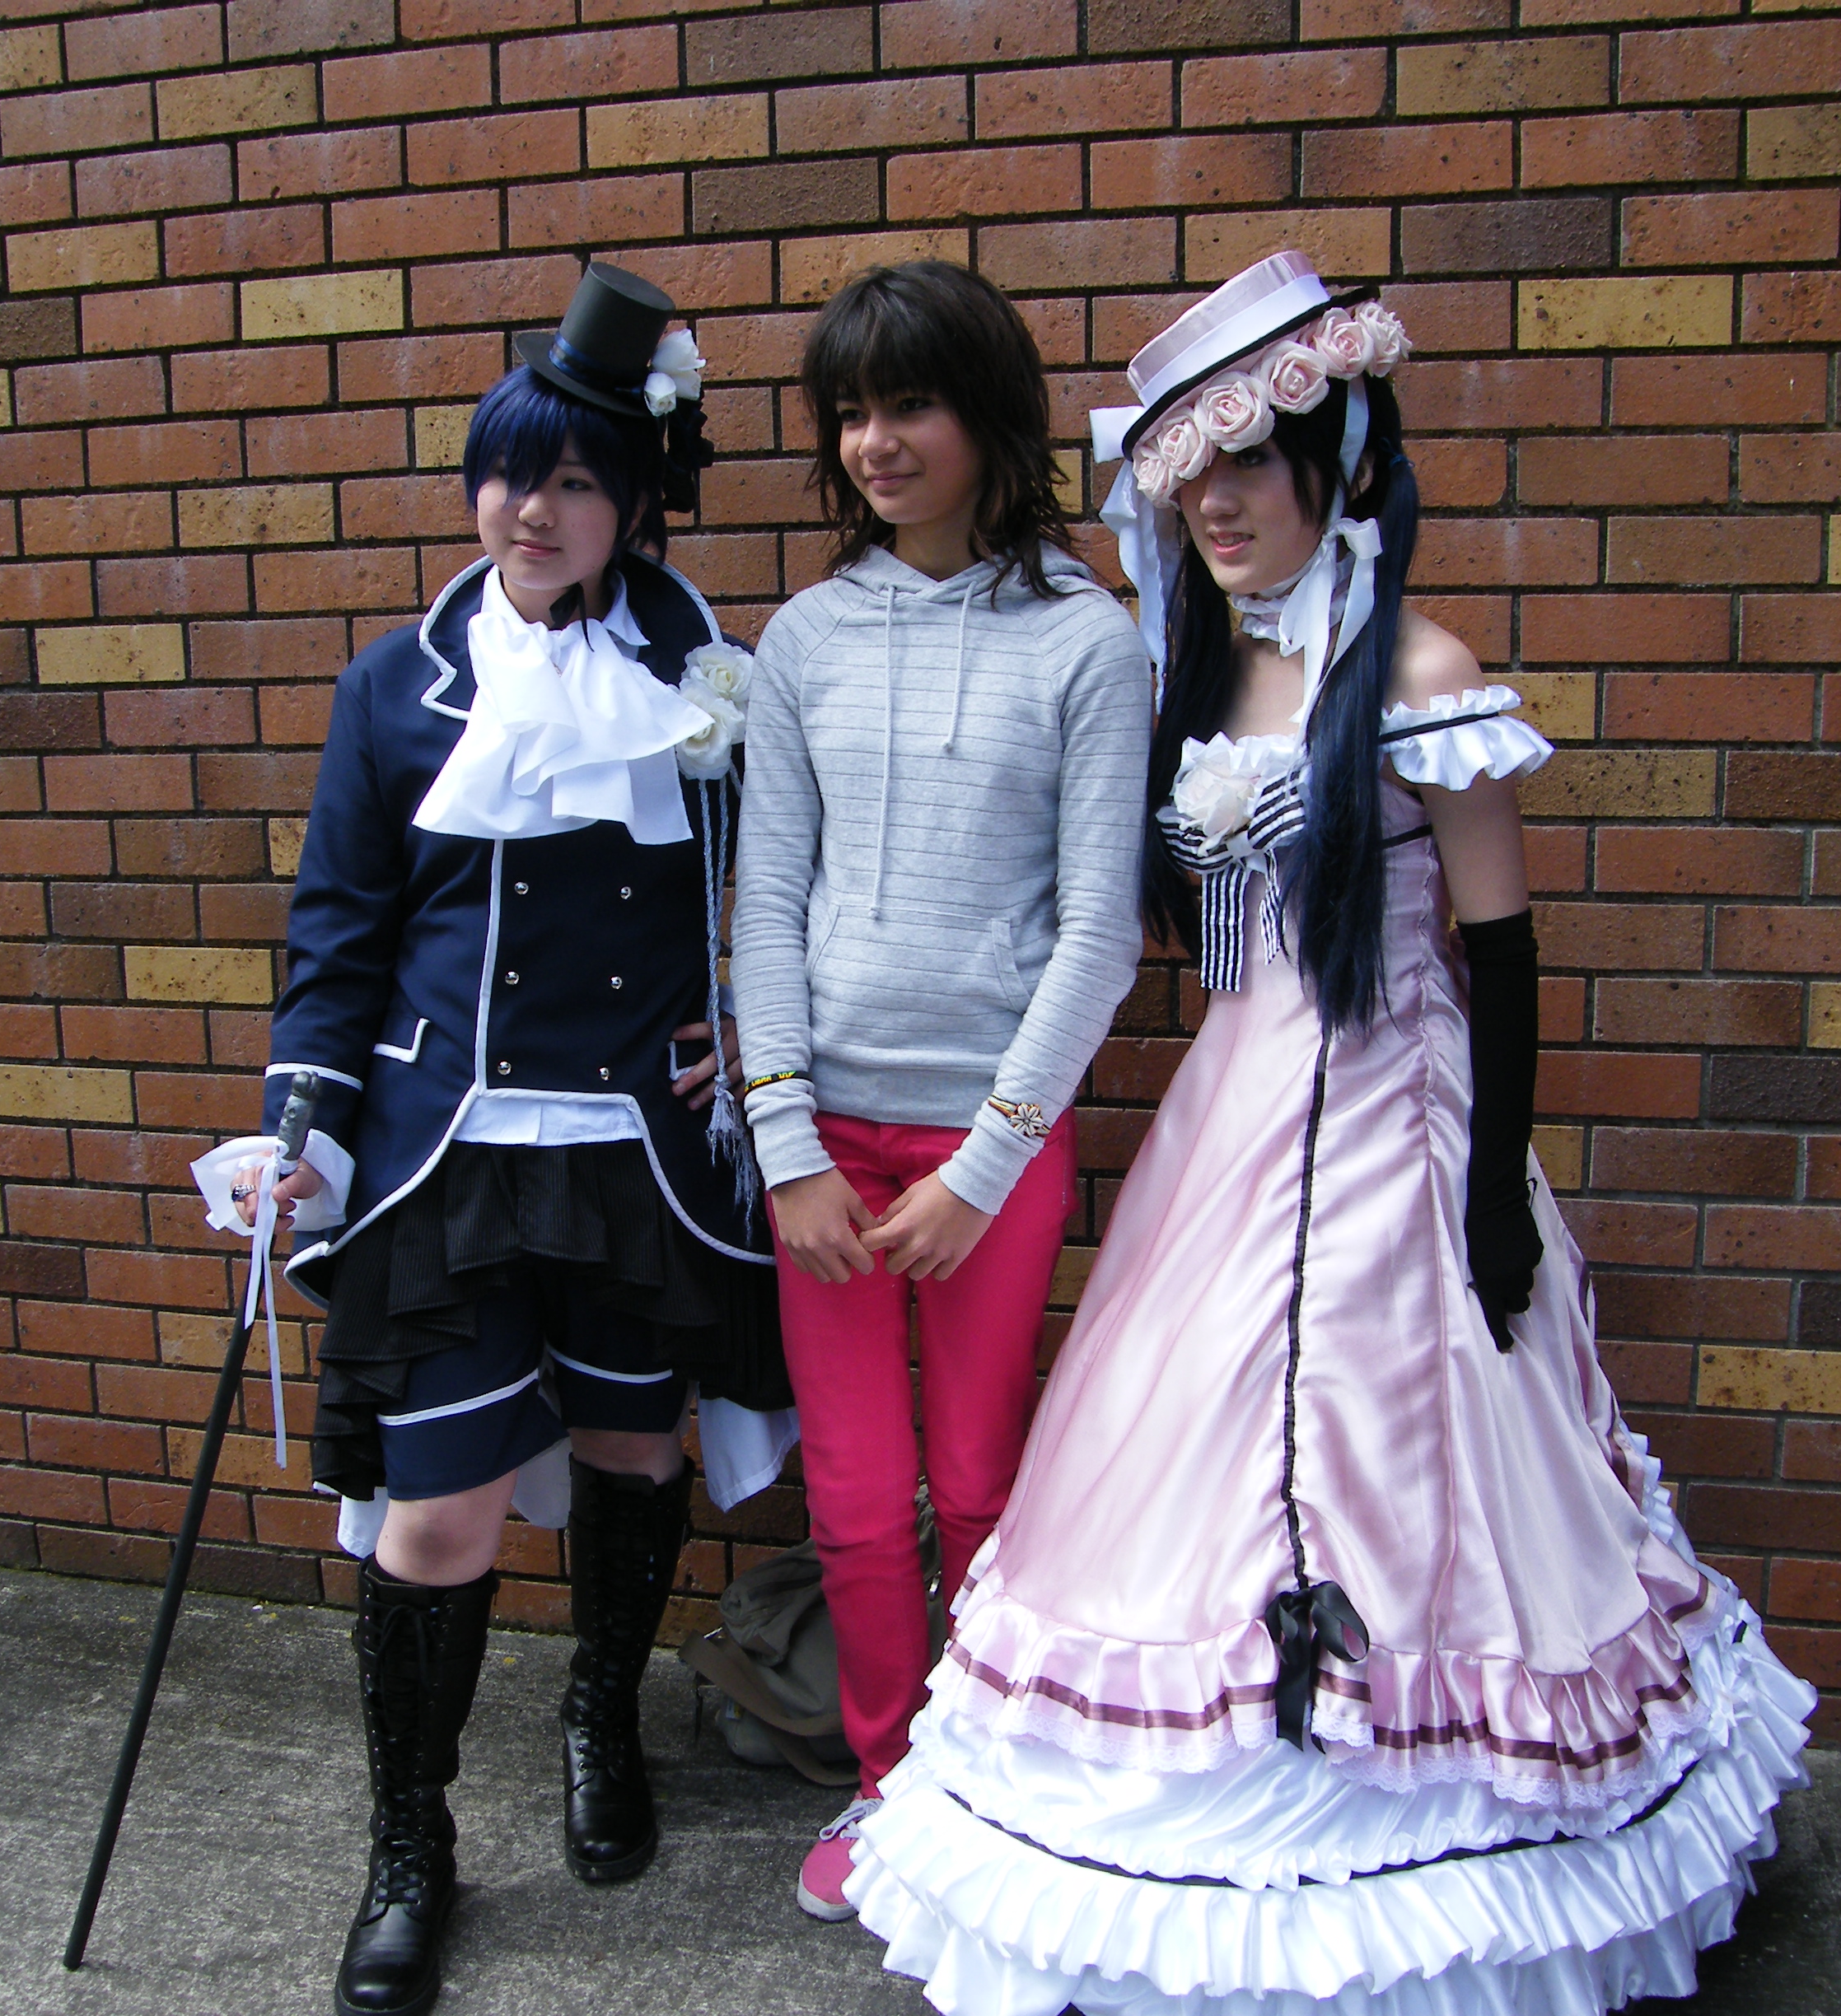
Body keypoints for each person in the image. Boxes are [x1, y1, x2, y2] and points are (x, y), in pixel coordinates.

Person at [843, 252, 1815, 2015]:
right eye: (1192, 476)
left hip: (1394, 1115)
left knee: (1392, 1441)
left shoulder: (1422, 671)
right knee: (1186, 1432)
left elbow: (1506, 958)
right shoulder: (1210, 672)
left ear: (1339, 457)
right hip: (1236, 1110)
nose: (1217, 505)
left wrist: (1494, 1206)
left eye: (1253, 464)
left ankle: (1431, 1824)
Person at [223, 262, 789, 2016]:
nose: (528, 510)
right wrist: (302, 1117)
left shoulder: (712, 680)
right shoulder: (394, 689)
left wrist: (751, 1028)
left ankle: (601, 1716)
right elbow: (336, 935)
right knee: (439, 1513)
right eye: (504, 474)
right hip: (441, 1160)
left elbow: (784, 896)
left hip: (637, 1156)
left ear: (633, 502)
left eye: (571, 482)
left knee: (630, 1452)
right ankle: (410, 1844)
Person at [727, 261, 1153, 1925]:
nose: (875, 442)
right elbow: (766, 904)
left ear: (989, 418)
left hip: (991, 1144)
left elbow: (1101, 932)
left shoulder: (1088, 642)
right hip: (825, 1144)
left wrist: (985, 1165)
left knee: (979, 1481)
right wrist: (784, 1145)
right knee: (850, 1494)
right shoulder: (806, 641)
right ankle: (887, 1781)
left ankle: (985, 1782)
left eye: (909, 405)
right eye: (849, 412)